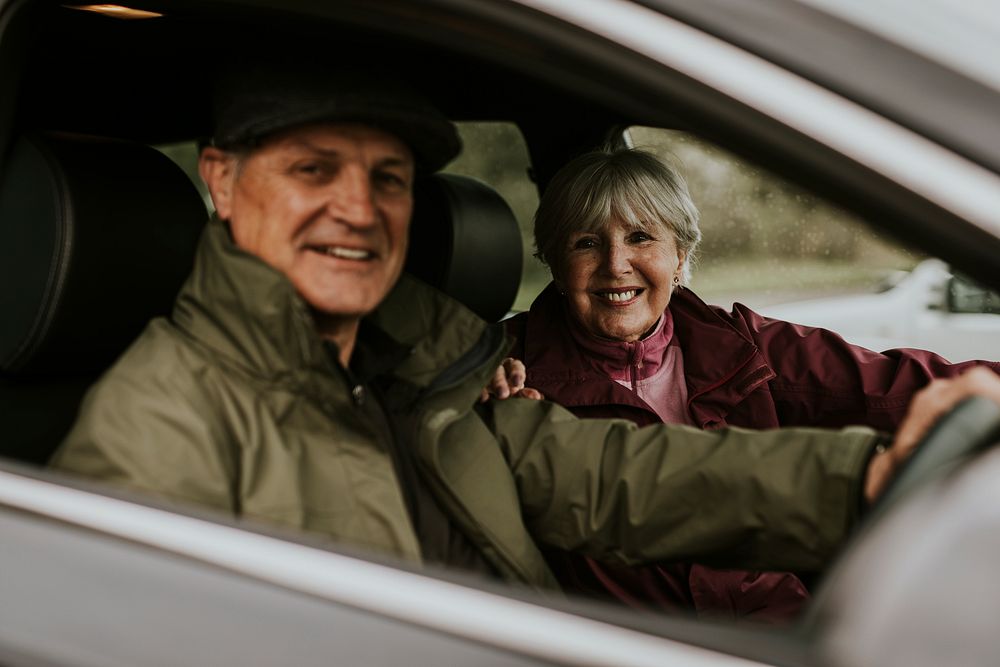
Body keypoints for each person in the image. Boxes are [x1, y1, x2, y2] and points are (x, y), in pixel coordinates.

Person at [48, 59, 997, 600]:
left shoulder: (434, 370)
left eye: (388, 179)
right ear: (219, 181)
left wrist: (865, 479)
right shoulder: (153, 426)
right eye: (312, 170)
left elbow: (613, 477)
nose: (358, 208)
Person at [505, 146, 1000, 620]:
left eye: (640, 238)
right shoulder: (500, 370)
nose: (616, 264)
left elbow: (893, 385)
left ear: (680, 256)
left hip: (780, 632)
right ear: (553, 260)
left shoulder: (743, 345)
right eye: (586, 242)